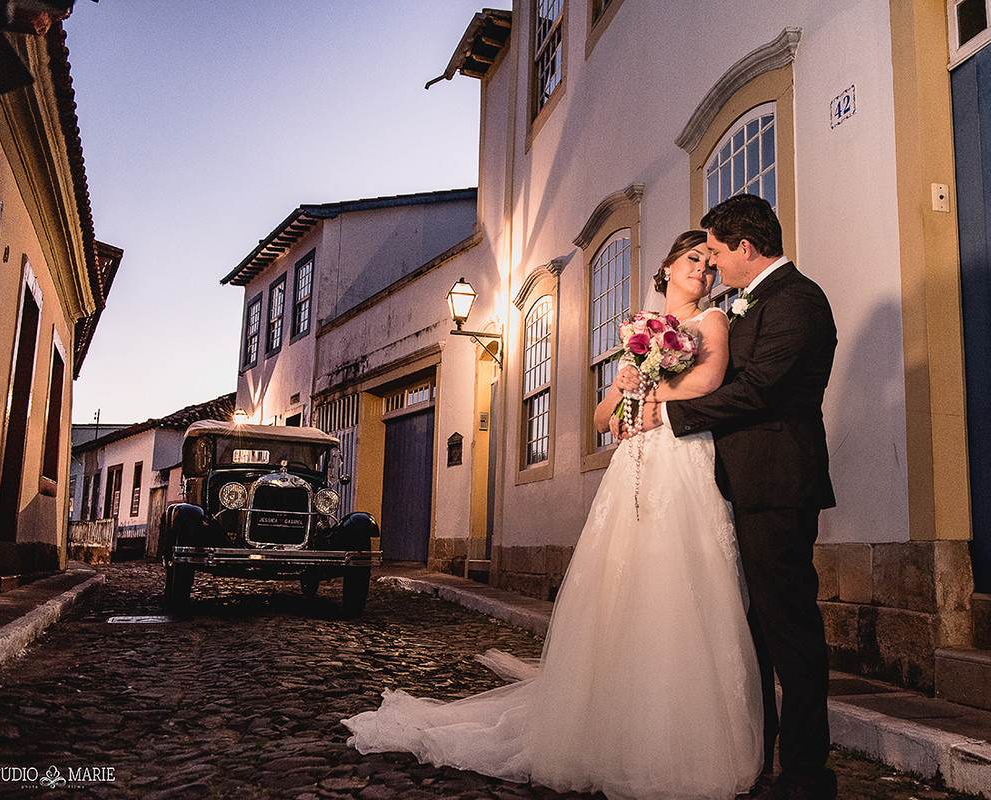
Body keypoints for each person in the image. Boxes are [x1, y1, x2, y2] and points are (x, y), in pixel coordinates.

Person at [342, 230, 764, 800]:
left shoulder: (711, 323)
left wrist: (651, 390)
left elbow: (707, 382)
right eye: (694, 261)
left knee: (679, 581)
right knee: (621, 586)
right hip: (634, 463)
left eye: (710, 266)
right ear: (666, 267)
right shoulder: (639, 329)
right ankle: (611, 722)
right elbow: (598, 417)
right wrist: (624, 387)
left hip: (682, 459)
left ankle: (678, 735)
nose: (704, 273)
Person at [634, 194, 838, 800]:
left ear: (745, 249)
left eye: (718, 253)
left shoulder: (798, 302)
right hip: (740, 487)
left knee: (790, 632)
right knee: (749, 634)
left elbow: (757, 392)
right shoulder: (752, 303)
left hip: (777, 484)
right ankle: (755, 760)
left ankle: (805, 776)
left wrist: (669, 416)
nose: (714, 265)